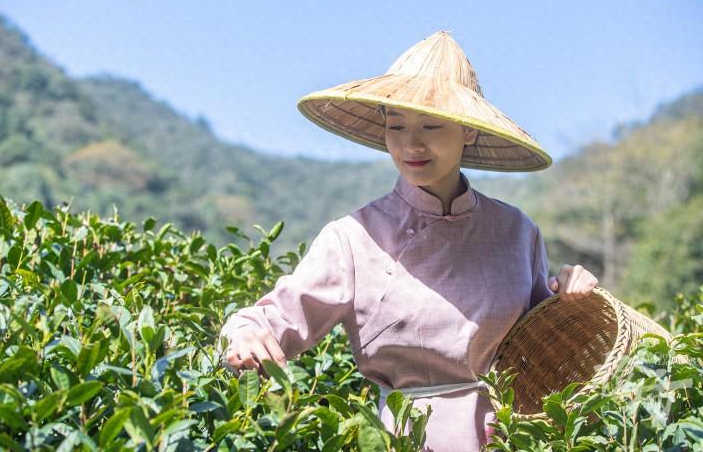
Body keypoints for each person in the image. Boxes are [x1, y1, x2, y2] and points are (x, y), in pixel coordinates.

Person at [219, 31, 599, 451]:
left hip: (508, 436)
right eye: (395, 125)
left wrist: (575, 301)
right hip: (407, 437)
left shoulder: (516, 232)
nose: (410, 144)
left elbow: (546, 348)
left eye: (431, 125)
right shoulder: (354, 238)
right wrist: (244, 332)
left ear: (468, 132)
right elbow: (272, 320)